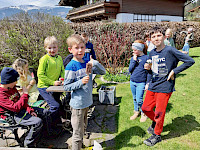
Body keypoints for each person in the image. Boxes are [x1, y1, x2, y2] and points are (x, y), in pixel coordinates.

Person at [142, 27, 195, 146]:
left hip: (165, 86)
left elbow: (190, 61)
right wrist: (148, 71)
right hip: (153, 84)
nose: (156, 38)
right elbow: (152, 70)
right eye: (153, 37)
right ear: (150, 40)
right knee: (146, 108)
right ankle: (156, 122)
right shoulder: (152, 53)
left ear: (164, 37)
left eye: (158, 36)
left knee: (160, 112)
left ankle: (157, 135)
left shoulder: (170, 50)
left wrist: (174, 71)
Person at [64, 34, 106, 150]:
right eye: (76, 48)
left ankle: (80, 146)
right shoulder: (71, 66)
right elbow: (66, 87)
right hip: (77, 105)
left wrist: (95, 63)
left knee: (83, 128)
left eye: (82, 47)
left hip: (87, 103)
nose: (80, 50)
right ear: (70, 50)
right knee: (77, 134)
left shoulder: (87, 63)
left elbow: (103, 72)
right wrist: (81, 82)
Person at [0, 67, 49, 147]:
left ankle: (42, 137)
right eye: (15, 80)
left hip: (20, 109)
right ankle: (29, 144)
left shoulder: (12, 88)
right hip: (12, 114)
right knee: (37, 122)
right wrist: (25, 94)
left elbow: (22, 102)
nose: (16, 83)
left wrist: (30, 110)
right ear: (9, 81)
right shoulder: (1, 94)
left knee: (45, 112)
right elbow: (15, 108)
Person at [37, 36, 65, 127]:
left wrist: (63, 78)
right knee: (54, 106)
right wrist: (53, 82)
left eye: (54, 47)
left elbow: (62, 70)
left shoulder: (59, 58)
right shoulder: (44, 59)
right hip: (44, 87)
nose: (52, 50)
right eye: (49, 48)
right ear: (45, 48)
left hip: (55, 86)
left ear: (57, 47)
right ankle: (47, 125)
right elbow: (40, 75)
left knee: (59, 104)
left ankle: (59, 122)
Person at [129, 40, 150, 122]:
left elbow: (149, 72)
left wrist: (147, 83)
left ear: (140, 49)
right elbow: (130, 70)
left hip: (141, 82)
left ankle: (144, 113)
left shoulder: (146, 58)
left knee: (139, 99)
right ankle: (136, 111)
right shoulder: (133, 58)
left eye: (135, 50)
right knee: (134, 98)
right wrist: (134, 60)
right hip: (132, 81)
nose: (133, 52)